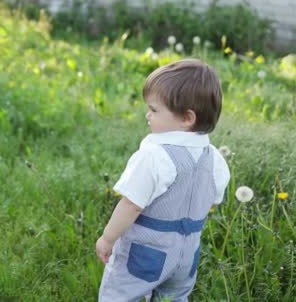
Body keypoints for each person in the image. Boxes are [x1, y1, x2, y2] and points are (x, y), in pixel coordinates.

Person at [96, 59, 230, 301]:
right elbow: (212, 200)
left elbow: (131, 204)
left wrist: (108, 238)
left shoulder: (155, 156)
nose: (147, 115)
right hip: (187, 255)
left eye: (155, 110)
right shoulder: (215, 160)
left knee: (120, 294)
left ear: (187, 119)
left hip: (146, 251)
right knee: (174, 297)